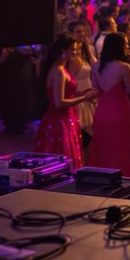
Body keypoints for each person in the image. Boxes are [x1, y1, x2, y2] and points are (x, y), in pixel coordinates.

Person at [35, 33, 100, 166]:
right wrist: (84, 98)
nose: (75, 53)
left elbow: (68, 92)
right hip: (59, 122)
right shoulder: (58, 71)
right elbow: (59, 102)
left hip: (66, 120)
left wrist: (84, 92)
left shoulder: (62, 68)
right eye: (72, 49)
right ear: (63, 50)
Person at [89, 32, 130, 176]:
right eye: (125, 44)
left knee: (102, 148)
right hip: (120, 112)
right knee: (119, 149)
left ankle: (100, 179)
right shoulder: (124, 67)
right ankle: (119, 180)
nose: (127, 47)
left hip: (101, 112)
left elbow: (95, 90)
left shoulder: (95, 65)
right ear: (118, 47)